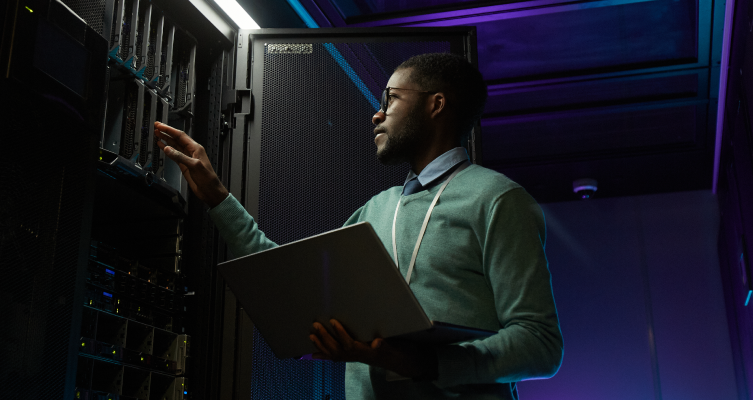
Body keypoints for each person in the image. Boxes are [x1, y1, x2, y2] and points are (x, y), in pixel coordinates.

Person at [153, 53, 563, 400]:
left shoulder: (498, 199)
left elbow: (540, 345)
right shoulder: (376, 209)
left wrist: (424, 363)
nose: (377, 112)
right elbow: (290, 281)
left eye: (392, 98)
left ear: (436, 104)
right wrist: (217, 197)